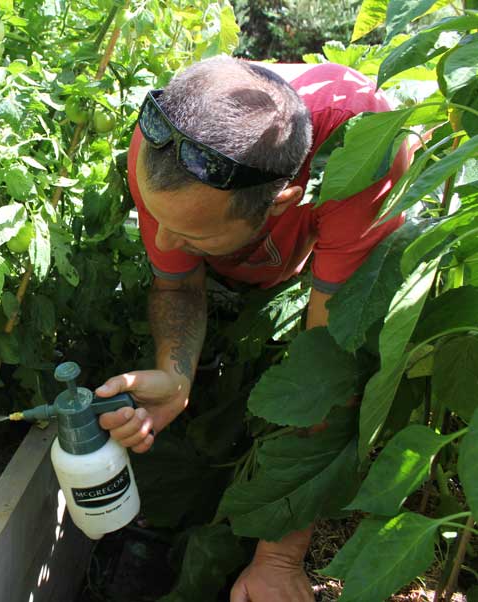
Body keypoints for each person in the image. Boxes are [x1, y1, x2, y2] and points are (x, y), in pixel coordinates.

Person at [94, 56, 408, 602]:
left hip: (324, 247)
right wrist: (176, 373)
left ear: (284, 200)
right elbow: (175, 284)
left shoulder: (367, 158)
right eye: (154, 215)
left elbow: (325, 369)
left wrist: (280, 558)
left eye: (190, 231)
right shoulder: (166, 138)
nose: (162, 244)